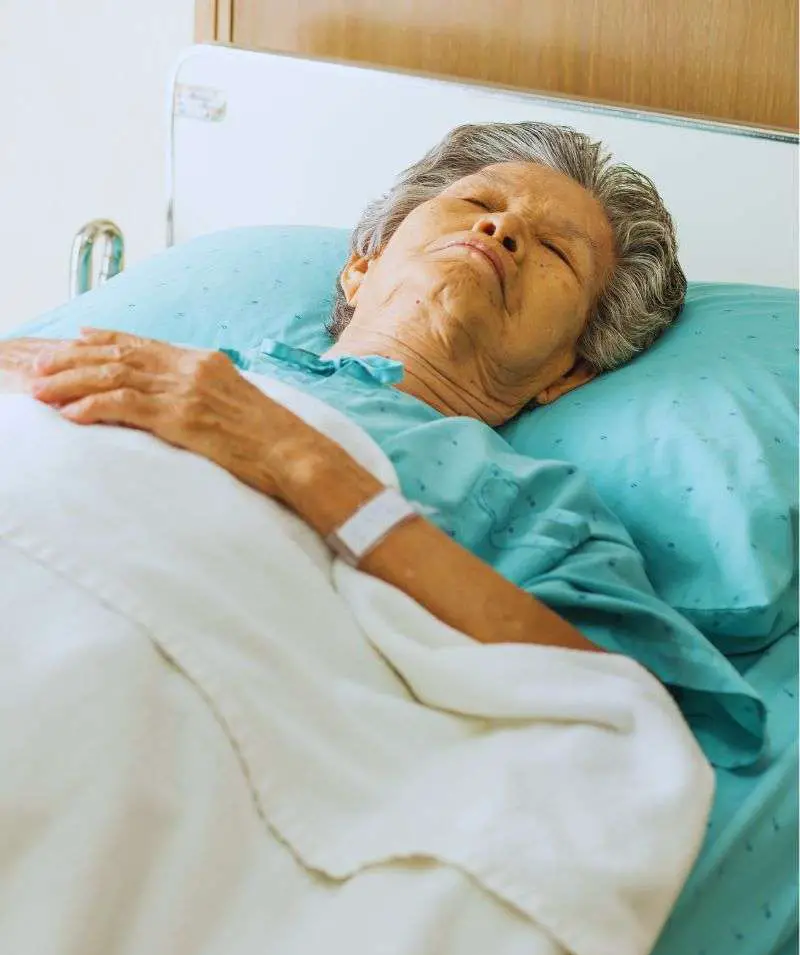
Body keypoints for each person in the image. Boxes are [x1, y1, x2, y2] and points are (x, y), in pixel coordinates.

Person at [0, 121, 695, 676]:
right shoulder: (178, 368)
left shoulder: (532, 503)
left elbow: (613, 698)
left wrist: (298, 461)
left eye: (556, 251)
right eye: (477, 205)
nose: (500, 230)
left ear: (567, 374)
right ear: (361, 267)